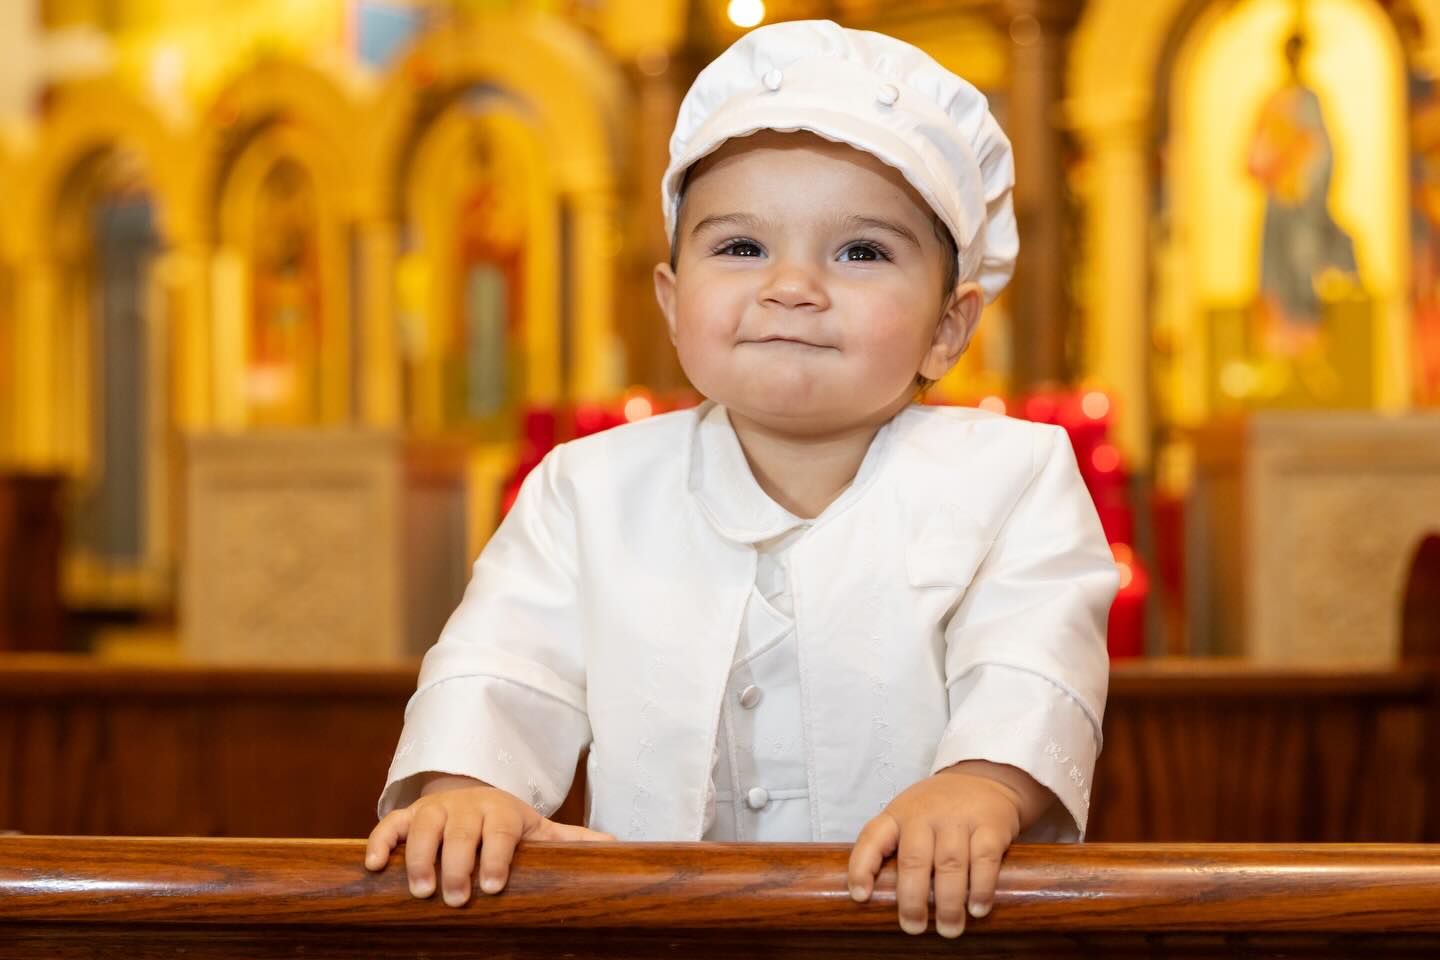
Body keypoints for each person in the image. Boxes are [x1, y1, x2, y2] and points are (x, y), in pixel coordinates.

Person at [364, 19, 1117, 940]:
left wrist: (983, 783)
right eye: (741, 248)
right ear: (674, 305)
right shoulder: (588, 488)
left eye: (862, 252)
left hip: (918, 922)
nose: (792, 286)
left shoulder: (1012, 475)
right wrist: (468, 784)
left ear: (948, 328)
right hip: (659, 928)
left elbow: (1032, 659)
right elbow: (503, 663)